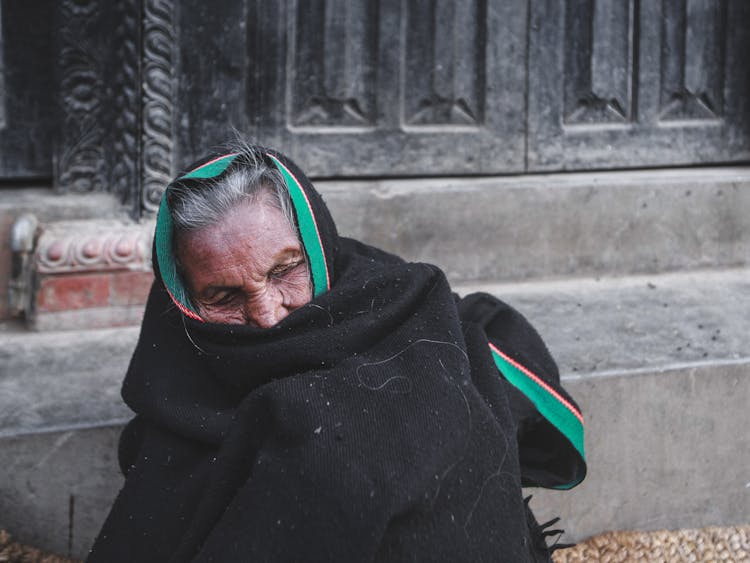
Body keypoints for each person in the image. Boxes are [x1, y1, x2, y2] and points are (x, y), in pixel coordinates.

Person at [88, 144, 587, 562]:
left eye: (284, 271)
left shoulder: (385, 297)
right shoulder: (181, 374)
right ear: (183, 299)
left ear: (317, 242)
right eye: (223, 297)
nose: (267, 314)